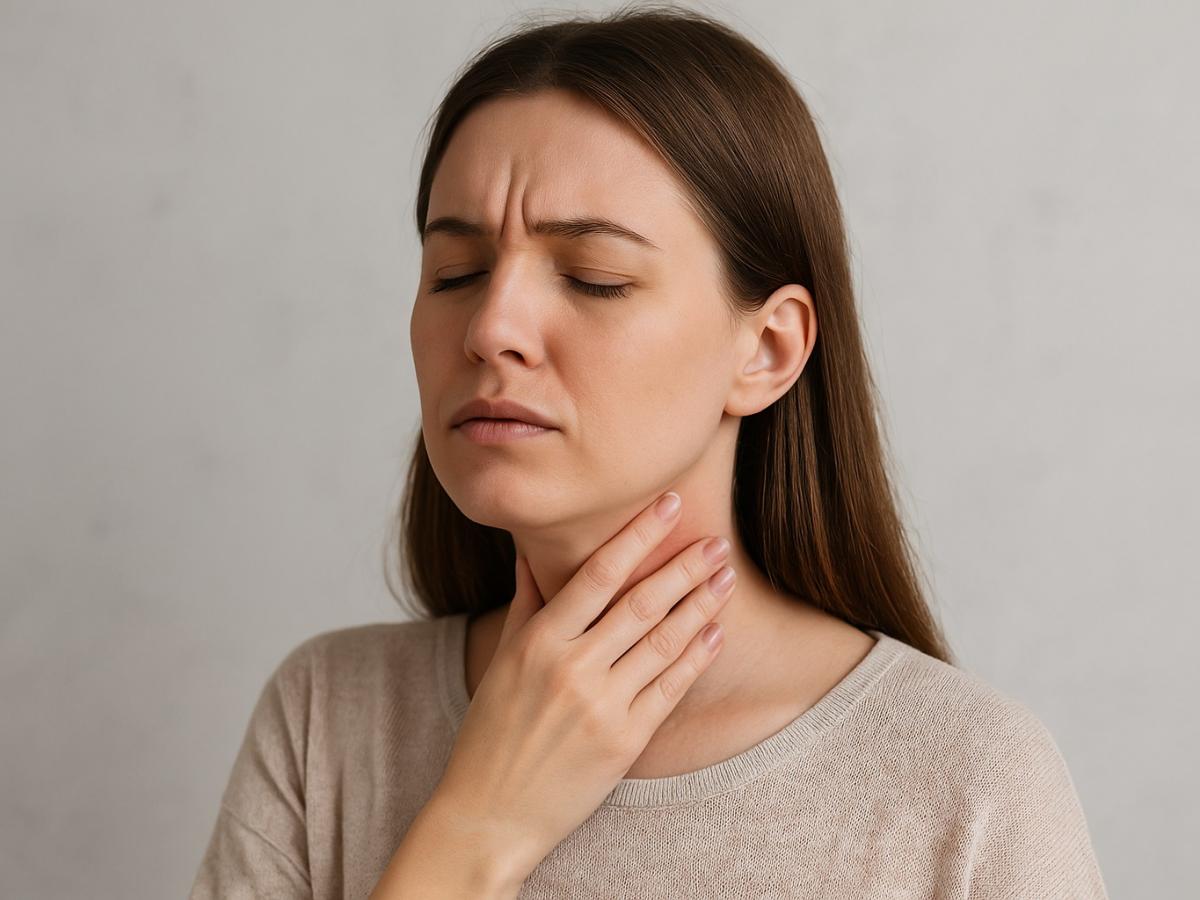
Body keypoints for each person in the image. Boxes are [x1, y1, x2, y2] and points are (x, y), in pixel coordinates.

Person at [190, 5, 1109, 898]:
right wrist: (476, 830)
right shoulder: (329, 717)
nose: (491, 328)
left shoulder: (965, 782)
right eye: (455, 274)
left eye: (595, 278)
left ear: (767, 350)